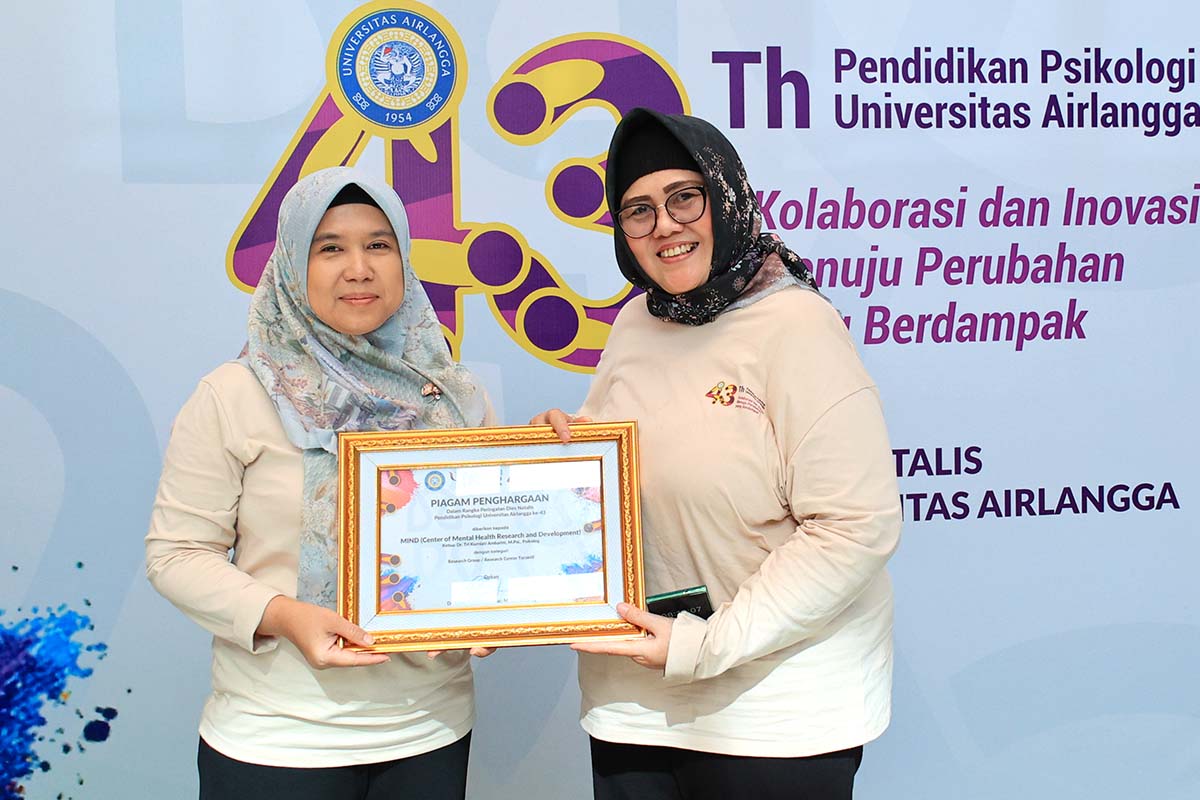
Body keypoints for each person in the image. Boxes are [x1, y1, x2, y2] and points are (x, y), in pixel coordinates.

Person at [534, 108, 902, 799]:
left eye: (685, 197)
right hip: (637, 704)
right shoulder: (639, 320)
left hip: (771, 713)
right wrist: (560, 454)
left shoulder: (796, 325)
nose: (664, 225)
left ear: (727, 196)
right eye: (638, 210)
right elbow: (630, 460)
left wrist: (706, 644)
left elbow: (856, 525)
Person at [146, 167, 493, 800]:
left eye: (379, 245)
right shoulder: (235, 394)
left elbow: (478, 544)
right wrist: (283, 615)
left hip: (430, 726)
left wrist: (496, 605)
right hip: (277, 736)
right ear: (291, 264)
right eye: (329, 248)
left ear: (404, 260)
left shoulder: (451, 397)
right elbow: (176, 555)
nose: (359, 269)